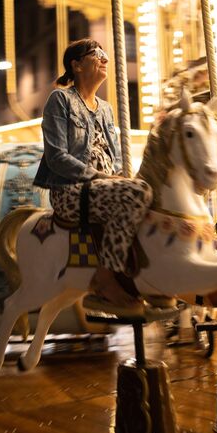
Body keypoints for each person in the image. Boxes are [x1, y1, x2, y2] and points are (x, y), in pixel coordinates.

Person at [33, 38, 153, 315]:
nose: (105, 59)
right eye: (97, 54)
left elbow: (117, 155)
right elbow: (57, 158)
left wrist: (122, 176)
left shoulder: (107, 108)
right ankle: (106, 277)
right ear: (76, 65)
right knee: (138, 193)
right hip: (70, 191)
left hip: (104, 187)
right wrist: (101, 177)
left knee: (150, 194)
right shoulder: (60, 99)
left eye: (105, 54)